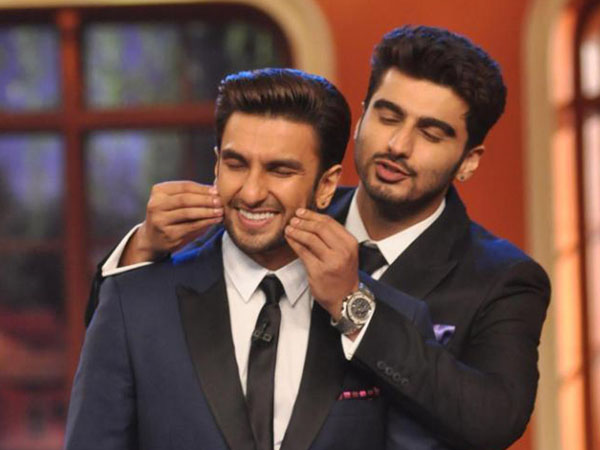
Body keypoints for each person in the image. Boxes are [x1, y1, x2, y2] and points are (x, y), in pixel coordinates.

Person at [86, 26, 551, 449]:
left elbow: (493, 420)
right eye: (388, 117)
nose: (398, 145)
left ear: (469, 160)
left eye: (430, 133)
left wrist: (354, 308)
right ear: (362, 118)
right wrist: (140, 250)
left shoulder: (503, 279)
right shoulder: (277, 207)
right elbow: (139, 329)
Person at [65, 68, 437, 450]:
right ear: (216, 166)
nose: (252, 192)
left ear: (326, 185)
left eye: (280, 170)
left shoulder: (395, 321)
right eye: (236, 164)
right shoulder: (132, 305)